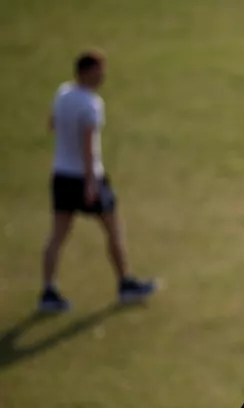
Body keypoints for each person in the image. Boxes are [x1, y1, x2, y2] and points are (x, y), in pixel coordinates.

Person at [41, 50, 156, 313]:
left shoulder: (63, 93)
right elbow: (89, 144)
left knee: (57, 235)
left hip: (61, 174)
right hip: (87, 176)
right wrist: (91, 183)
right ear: (86, 72)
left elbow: (51, 124)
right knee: (114, 228)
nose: (103, 76)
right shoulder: (91, 103)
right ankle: (126, 284)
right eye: (99, 71)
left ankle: (48, 291)